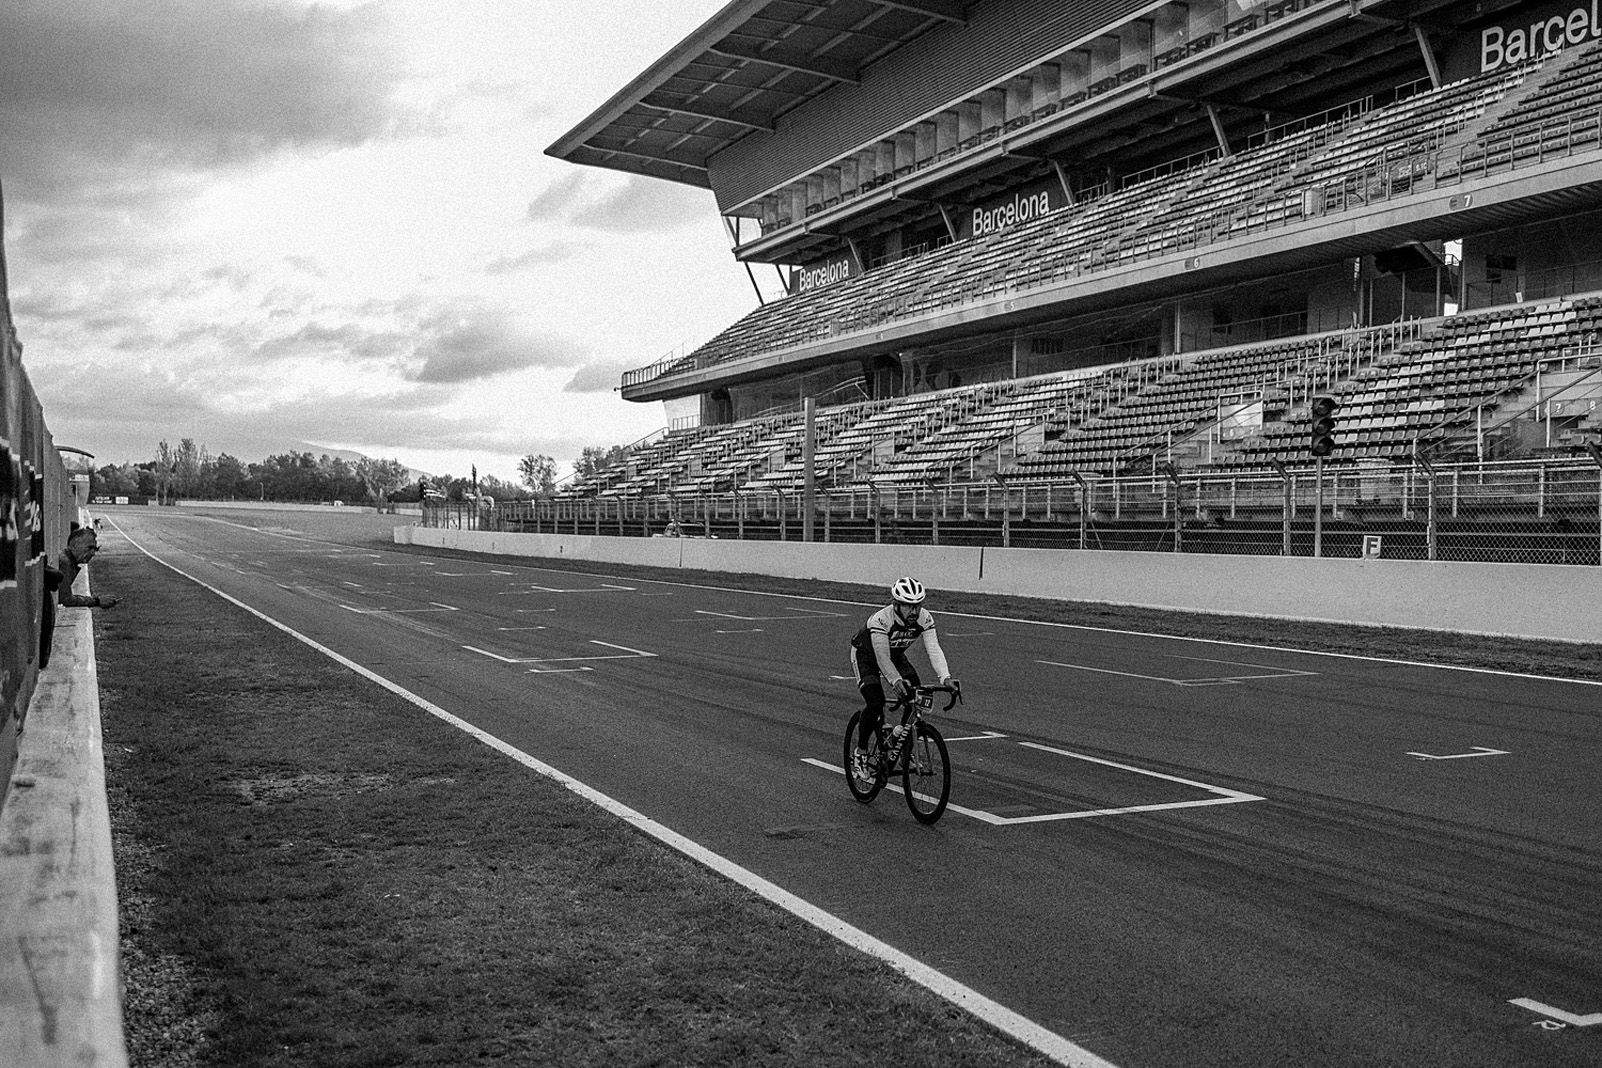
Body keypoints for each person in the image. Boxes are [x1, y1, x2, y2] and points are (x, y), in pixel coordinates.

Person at [848, 577, 959, 780]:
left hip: (896, 655)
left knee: (916, 695)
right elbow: (881, 657)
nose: (914, 612)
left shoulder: (924, 618)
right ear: (896, 604)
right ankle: (860, 753)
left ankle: (900, 741)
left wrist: (945, 678)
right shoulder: (882, 619)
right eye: (909, 606)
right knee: (875, 702)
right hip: (866, 656)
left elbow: (934, 649)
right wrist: (895, 681)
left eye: (917, 606)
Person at [52, 527, 119, 610]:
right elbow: (65, 599)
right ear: (74, 545)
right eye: (90, 548)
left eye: (95, 549)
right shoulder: (65, 562)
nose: (93, 553)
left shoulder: (67, 560)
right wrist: (97, 601)